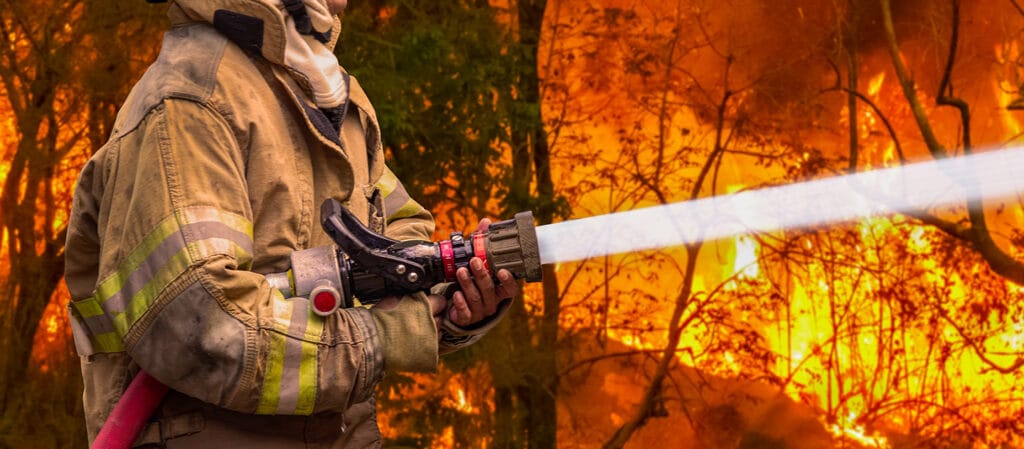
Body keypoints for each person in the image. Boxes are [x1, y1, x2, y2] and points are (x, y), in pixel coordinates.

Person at [64, 0, 519, 447]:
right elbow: (203, 325)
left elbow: (398, 233)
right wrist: (384, 337)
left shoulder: (326, 93)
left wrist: (451, 291)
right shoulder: (190, 101)